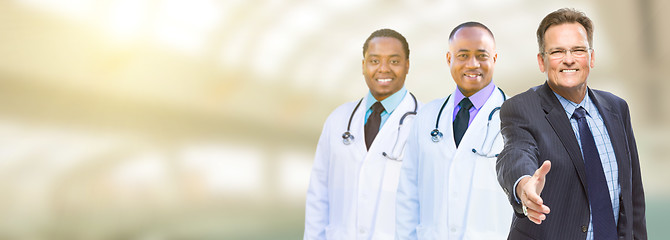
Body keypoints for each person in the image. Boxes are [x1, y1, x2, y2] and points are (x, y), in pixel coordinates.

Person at [496, 8, 646, 239]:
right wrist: (524, 186)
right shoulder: (521, 108)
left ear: (591, 57)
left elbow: (632, 193)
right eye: (557, 51)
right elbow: (516, 152)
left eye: (578, 50)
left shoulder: (617, 108)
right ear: (541, 61)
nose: (569, 59)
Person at [396, 22, 511, 239]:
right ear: (449, 59)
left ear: (494, 59)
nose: (472, 64)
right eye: (463, 55)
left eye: (482, 55)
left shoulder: (519, 118)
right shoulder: (427, 116)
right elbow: (408, 195)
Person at [304, 28, 421, 240]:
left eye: (394, 61)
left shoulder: (426, 123)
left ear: (407, 65)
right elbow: (319, 194)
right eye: (374, 61)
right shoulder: (338, 119)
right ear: (363, 65)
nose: (383, 69)